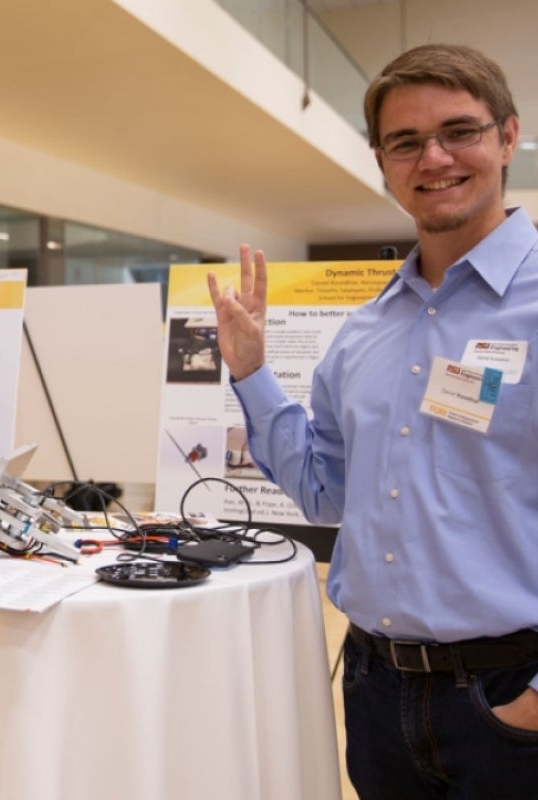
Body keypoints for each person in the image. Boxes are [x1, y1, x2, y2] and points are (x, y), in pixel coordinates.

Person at [209, 44, 538, 797]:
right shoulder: (365, 333)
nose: (435, 157)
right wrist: (253, 373)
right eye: (405, 142)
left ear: (507, 137)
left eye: (460, 130)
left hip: (510, 703)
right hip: (375, 694)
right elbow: (328, 494)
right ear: (383, 164)